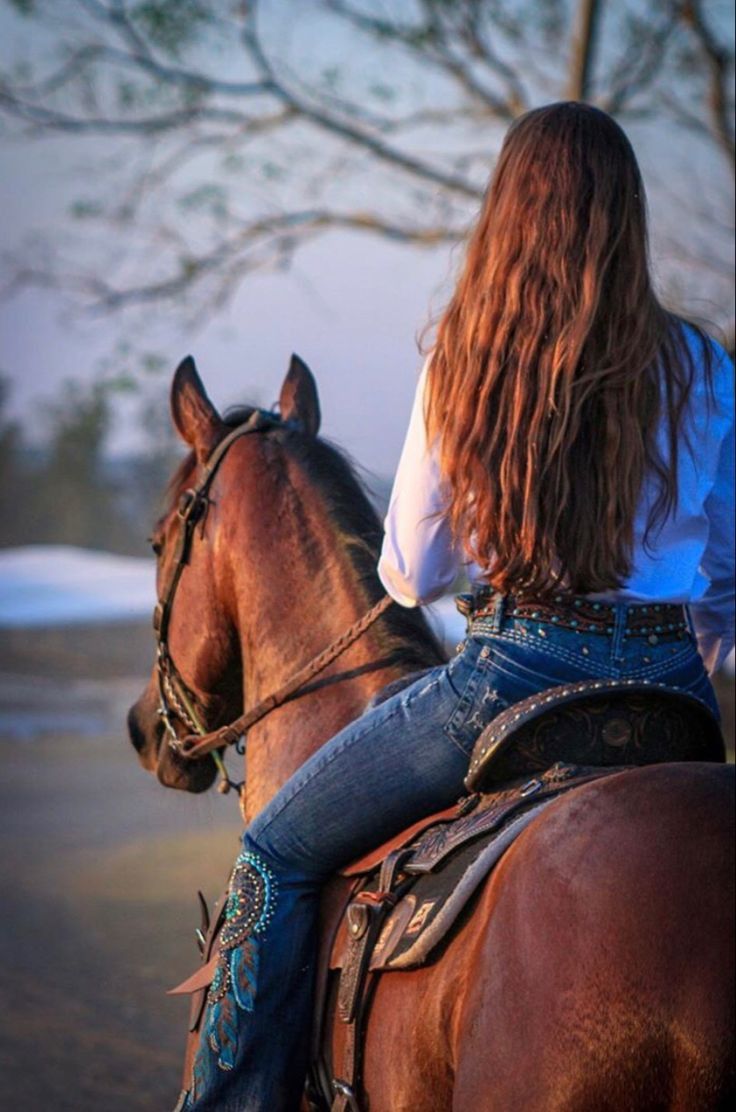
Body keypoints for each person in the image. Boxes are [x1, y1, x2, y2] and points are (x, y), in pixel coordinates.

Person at [180, 102, 734, 1111]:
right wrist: (674, 644)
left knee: (274, 849)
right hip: (673, 691)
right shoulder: (701, 365)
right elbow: (728, 576)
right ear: (632, 214)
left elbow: (409, 575)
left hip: (508, 674)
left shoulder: (464, 359)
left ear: (507, 212)